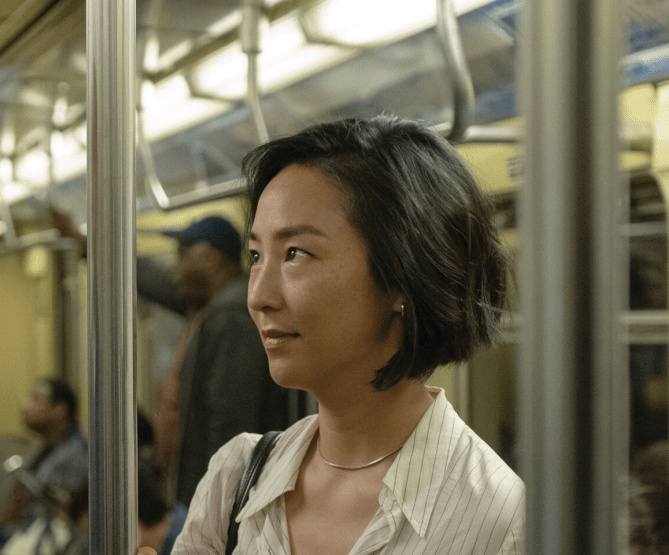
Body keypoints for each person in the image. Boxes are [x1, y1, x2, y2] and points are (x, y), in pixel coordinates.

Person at [171, 116, 524, 554]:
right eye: (257, 256)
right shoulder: (237, 479)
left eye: (296, 254)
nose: (258, 296)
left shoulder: (499, 523)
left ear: (402, 276)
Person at [53, 211, 294, 507]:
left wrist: (214, 506)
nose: (176, 269)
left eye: (182, 255)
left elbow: (231, 426)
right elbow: (150, 279)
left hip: (215, 499)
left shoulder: (231, 319)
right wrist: (85, 244)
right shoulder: (206, 307)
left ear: (212, 261)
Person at [0, 378, 88, 554]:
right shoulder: (47, 450)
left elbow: (52, 526)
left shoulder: (74, 457)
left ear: (59, 410)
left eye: (36, 399)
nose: (25, 406)